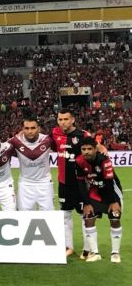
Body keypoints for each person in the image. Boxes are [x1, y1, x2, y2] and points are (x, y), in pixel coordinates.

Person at [50, 108, 99, 257]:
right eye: (60, 119)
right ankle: (68, 247)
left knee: (85, 216)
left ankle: (87, 249)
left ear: (72, 120)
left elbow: (94, 148)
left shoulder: (83, 135)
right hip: (63, 183)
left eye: (66, 119)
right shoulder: (54, 133)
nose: (63, 122)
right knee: (65, 216)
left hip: (81, 184)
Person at [75, 138, 123, 263]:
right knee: (88, 217)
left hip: (111, 192)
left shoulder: (104, 160)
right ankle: (95, 253)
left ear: (95, 149)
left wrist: (113, 202)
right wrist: (87, 203)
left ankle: (115, 253)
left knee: (115, 216)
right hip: (94, 191)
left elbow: (109, 182)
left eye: (89, 149)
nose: (86, 152)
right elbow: (80, 183)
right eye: (83, 149)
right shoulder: (79, 161)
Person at [9, 117, 54, 211]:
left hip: (44, 183)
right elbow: (1, 149)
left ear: (38, 128)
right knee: (24, 217)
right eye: (26, 128)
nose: (30, 131)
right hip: (25, 184)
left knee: (49, 216)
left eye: (33, 128)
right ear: (22, 129)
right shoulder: (16, 141)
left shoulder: (48, 140)